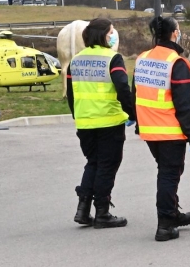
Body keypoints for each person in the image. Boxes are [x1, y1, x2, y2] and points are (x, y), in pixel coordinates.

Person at [132, 16, 190, 242]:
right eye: (178, 30)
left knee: (167, 173)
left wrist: (137, 122)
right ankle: (165, 225)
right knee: (169, 176)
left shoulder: (142, 58)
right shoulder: (177, 63)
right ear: (174, 34)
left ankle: (173, 213)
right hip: (170, 131)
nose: (179, 33)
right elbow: (183, 106)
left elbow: (138, 94)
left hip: (149, 131)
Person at [66, 18, 135, 229]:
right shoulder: (113, 58)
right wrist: (132, 113)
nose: (113, 35)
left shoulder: (75, 61)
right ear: (105, 35)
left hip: (85, 123)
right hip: (109, 121)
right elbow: (123, 88)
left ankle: (83, 209)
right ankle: (102, 212)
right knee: (107, 165)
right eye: (112, 31)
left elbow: (70, 94)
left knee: (93, 163)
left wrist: (77, 115)